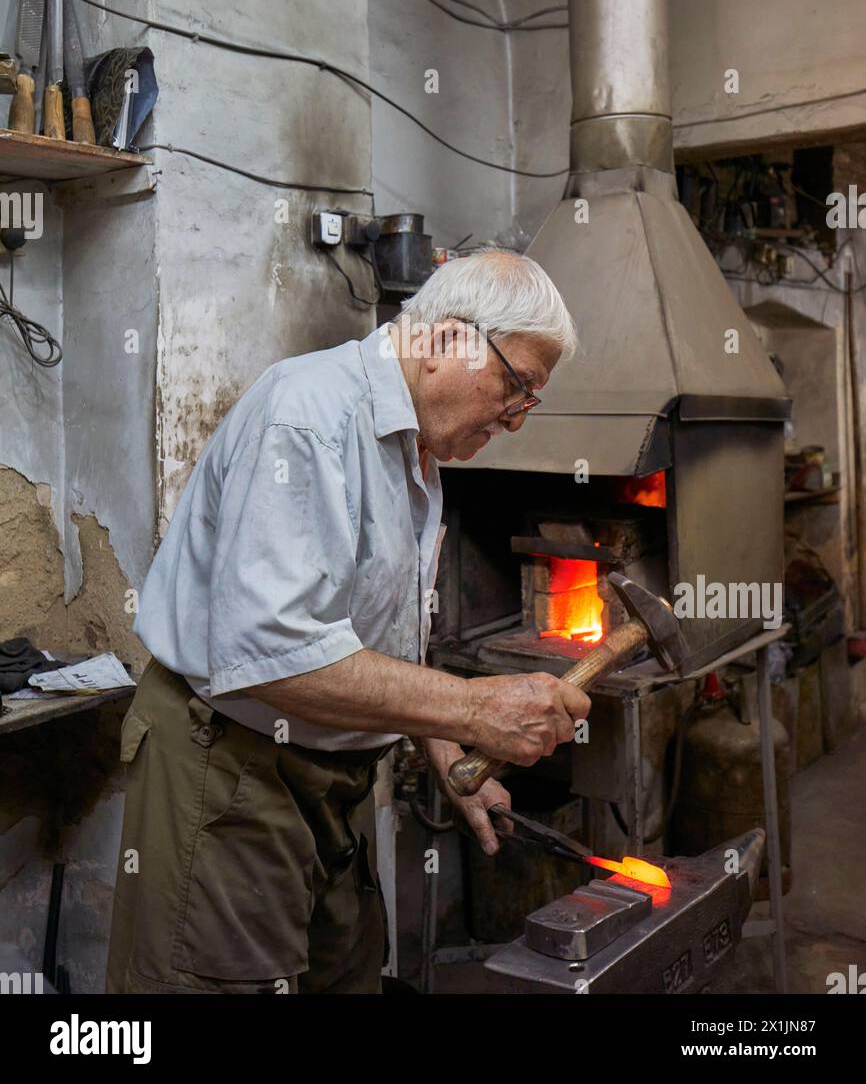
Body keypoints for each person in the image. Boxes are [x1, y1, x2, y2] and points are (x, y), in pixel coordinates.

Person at [106, 247, 591, 994]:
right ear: (447, 340)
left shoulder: (418, 451)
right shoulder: (309, 417)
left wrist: (442, 746)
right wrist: (473, 705)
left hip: (334, 777)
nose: (516, 420)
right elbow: (275, 652)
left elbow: (372, 633)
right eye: (516, 387)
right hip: (229, 763)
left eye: (529, 400)